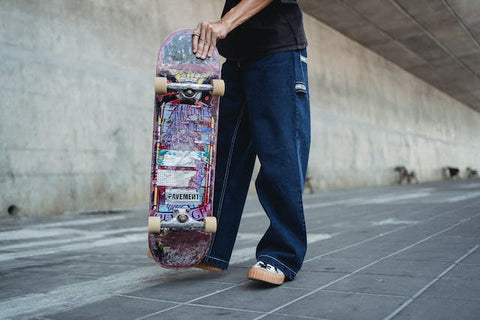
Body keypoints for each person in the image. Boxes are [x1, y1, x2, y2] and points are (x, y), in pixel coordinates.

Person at [192, 0, 310, 285]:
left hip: (278, 53)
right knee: (225, 156)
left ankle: (282, 254)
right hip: (236, 61)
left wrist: (224, 24)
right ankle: (210, 247)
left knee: (279, 156)